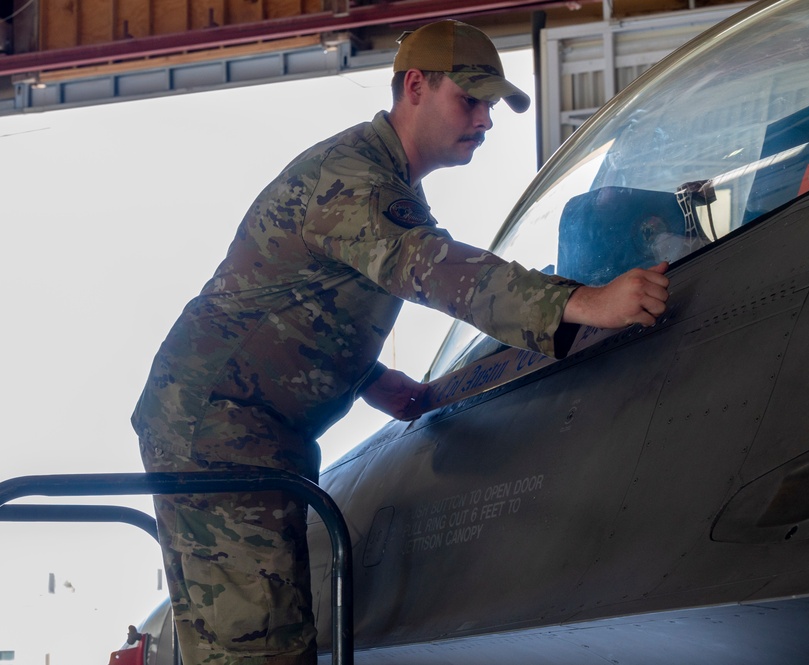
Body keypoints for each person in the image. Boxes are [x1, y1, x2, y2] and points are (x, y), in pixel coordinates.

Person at [132, 19, 670, 665]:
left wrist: (370, 378)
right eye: (469, 100)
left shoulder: (383, 182)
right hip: (221, 430)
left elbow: (298, 299)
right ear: (415, 86)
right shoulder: (351, 178)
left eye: (490, 105)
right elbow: (429, 266)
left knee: (243, 637)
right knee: (259, 644)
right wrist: (582, 303)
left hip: (234, 422)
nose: (484, 120)